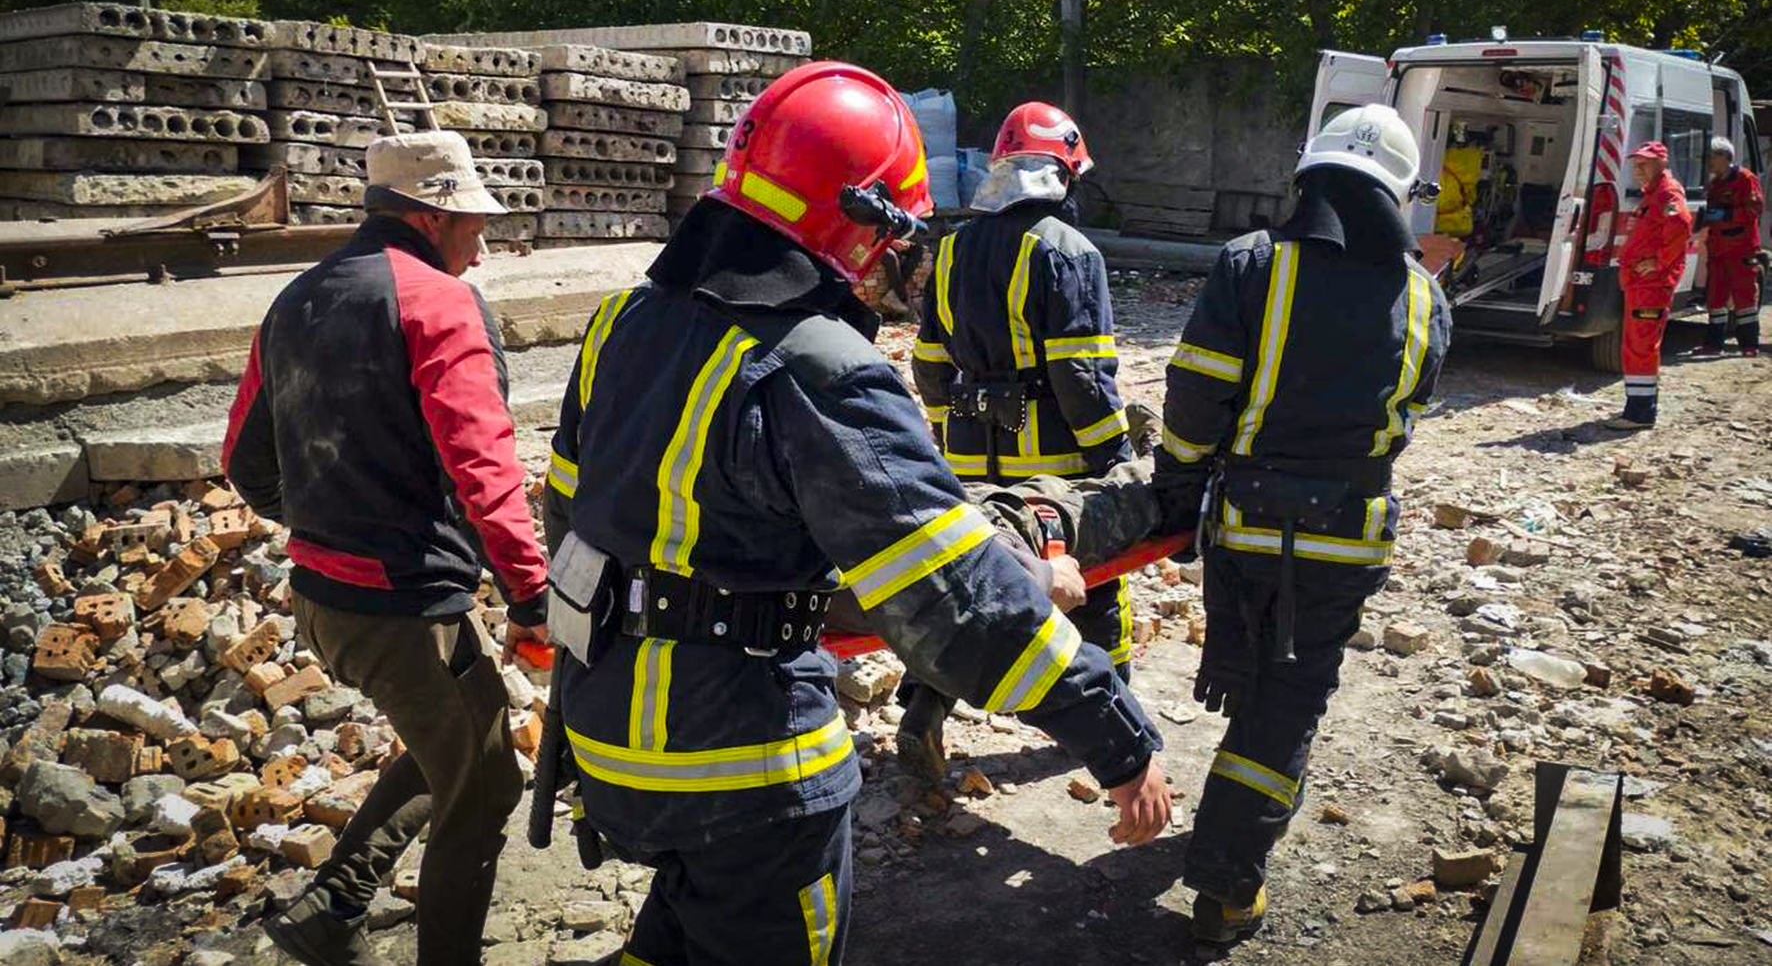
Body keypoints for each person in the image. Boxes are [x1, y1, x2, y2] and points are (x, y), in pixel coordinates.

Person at [541, 63, 1170, 966]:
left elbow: (574, 524)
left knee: (681, 931)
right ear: (859, 220)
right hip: (745, 772)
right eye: (890, 232)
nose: (889, 260)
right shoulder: (817, 367)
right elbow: (959, 600)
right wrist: (1118, 735)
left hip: (605, 741)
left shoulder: (619, 323)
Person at [224, 130, 549, 966]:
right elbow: (482, 465)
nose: (479, 249)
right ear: (432, 215)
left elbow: (241, 461)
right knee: (481, 790)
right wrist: (531, 593)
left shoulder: (296, 298)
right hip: (404, 607)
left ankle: (333, 905)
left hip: (325, 601)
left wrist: (327, 526)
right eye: (472, 226)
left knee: (463, 738)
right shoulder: (438, 304)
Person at [1153, 104, 1451, 943]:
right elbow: (1406, 416)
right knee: (1288, 704)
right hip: (1346, 541)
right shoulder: (1425, 296)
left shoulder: (1253, 264)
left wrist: (1177, 486)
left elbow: (1196, 397)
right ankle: (1226, 882)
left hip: (1243, 530)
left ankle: (1228, 837)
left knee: (1253, 680)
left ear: (1310, 176)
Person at [903, 102, 1145, 774]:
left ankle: (923, 715)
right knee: (1100, 586)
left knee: (964, 593)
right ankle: (1115, 724)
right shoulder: (1070, 252)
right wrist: (1113, 462)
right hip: (1056, 467)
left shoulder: (949, 251)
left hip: (968, 459)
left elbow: (928, 365)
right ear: (1064, 173)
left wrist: (958, 418)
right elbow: (1081, 374)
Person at [1609, 141, 1693, 428]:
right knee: (1637, 343)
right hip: (1642, 283)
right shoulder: (1654, 194)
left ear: (1661, 163)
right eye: (1635, 164)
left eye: (1644, 164)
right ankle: (1640, 407)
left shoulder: (1667, 193)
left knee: (1641, 345)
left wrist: (1659, 262)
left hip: (1652, 284)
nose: (1638, 170)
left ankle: (1640, 414)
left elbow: (1681, 225)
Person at [1698, 136, 1764, 357]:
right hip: (1717, 250)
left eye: (1712, 157)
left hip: (1741, 248)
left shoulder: (1745, 179)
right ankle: (1714, 344)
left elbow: (1755, 208)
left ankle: (1749, 345)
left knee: (1744, 297)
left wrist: (1726, 214)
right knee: (1715, 298)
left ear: (1725, 157)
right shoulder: (1715, 184)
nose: (1709, 161)